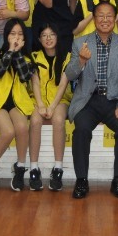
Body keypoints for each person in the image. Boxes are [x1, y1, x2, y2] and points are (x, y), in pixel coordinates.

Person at [65, 1, 118, 199]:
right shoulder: (80, 43)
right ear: (94, 19)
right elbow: (70, 75)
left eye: (109, 15)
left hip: (113, 101)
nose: (105, 20)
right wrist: (81, 61)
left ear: (115, 18)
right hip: (88, 101)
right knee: (81, 130)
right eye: (101, 16)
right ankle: (81, 180)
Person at [0, 19, 41, 192]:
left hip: (17, 101)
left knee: (22, 128)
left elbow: (24, 76)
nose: (16, 37)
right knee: (8, 132)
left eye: (20, 34)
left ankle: (20, 168)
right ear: (6, 36)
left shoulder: (27, 58)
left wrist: (18, 54)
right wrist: (10, 52)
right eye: (13, 34)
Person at [30, 23, 73, 191]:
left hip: (60, 100)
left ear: (57, 37)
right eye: (44, 35)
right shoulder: (34, 56)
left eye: (52, 34)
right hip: (38, 100)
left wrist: (53, 106)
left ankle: (58, 168)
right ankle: (34, 168)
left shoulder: (68, 57)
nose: (48, 38)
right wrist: (40, 105)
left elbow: (63, 84)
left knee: (59, 120)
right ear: (39, 39)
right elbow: (35, 82)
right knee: (35, 121)